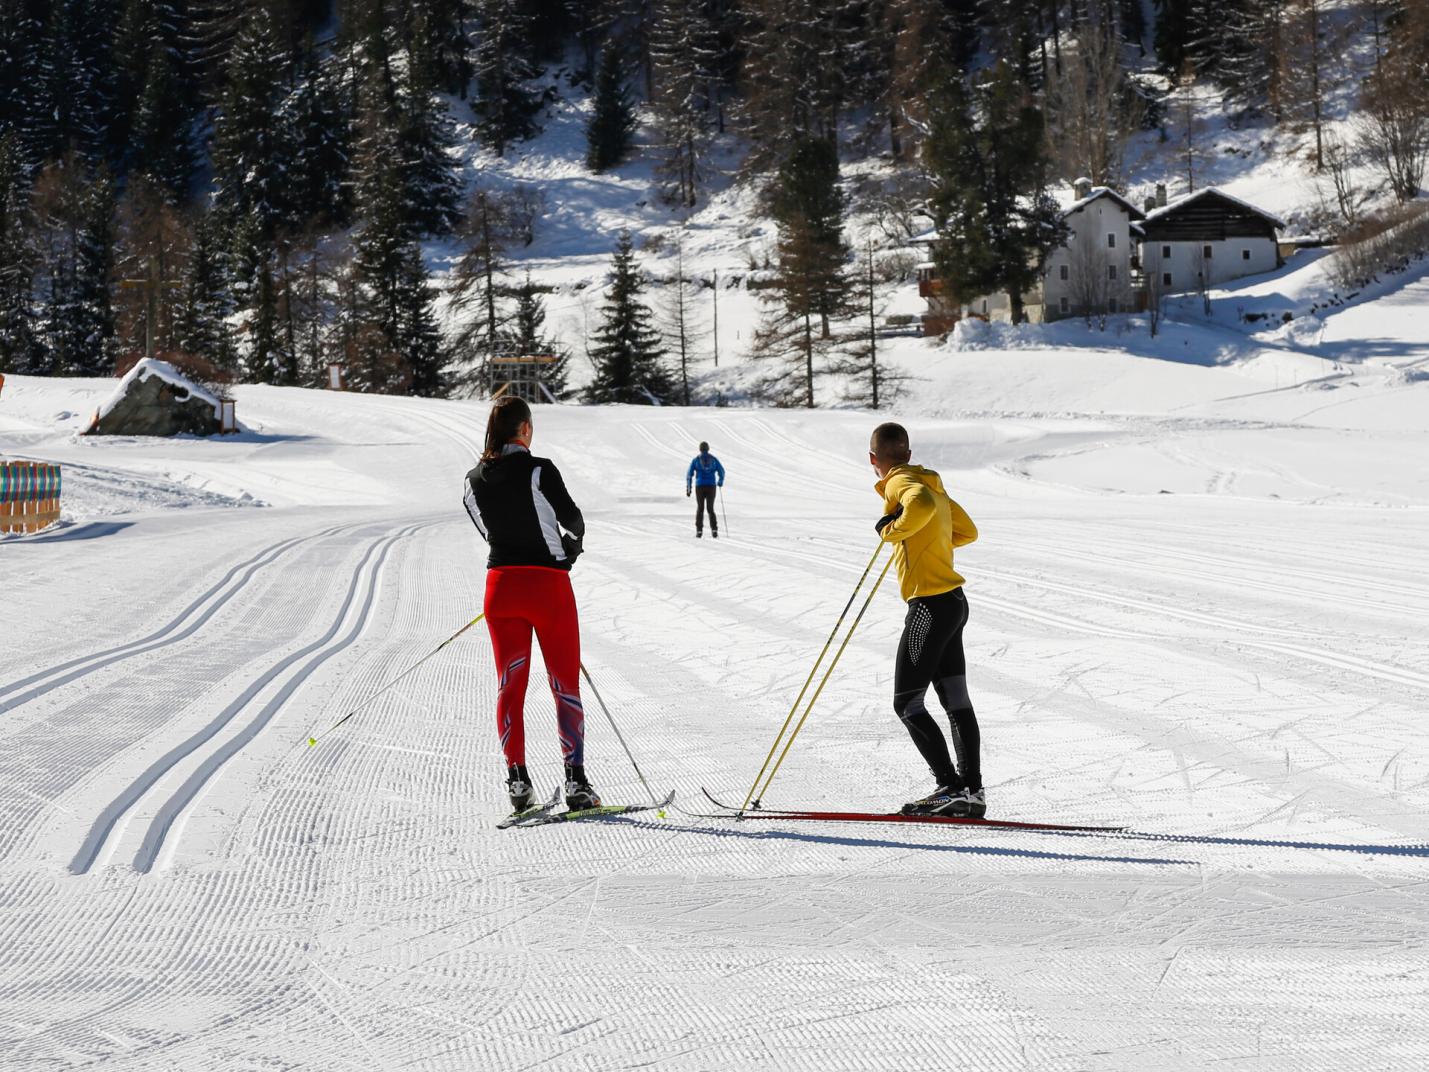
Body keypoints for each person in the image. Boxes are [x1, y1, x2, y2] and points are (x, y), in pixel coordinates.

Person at [464, 397, 599, 814]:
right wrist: (569, 551)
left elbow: (486, 529)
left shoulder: (473, 479)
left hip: (500, 589)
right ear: (523, 429)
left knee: (510, 684)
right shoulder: (540, 469)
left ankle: (518, 781)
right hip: (548, 588)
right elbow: (572, 520)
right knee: (563, 683)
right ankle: (575, 781)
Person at [868, 421, 984, 817]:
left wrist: (894, 530)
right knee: (956, 700)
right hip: (954, 602)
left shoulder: (901, 482)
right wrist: (927, 538)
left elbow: (917, 505)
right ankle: (971, 791)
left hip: (930, 607)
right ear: (908, 453)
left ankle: (949, 787)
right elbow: (967, 531)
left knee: (907, 702)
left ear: (874, 461)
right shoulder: (931, 481)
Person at [685, 441, 725, 538]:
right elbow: (722, 471)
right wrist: (720, 482)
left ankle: (699, 531)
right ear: (708, 449)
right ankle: (714, 530)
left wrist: (689, 488)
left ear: (700, 449)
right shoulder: (714, 459)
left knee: (700, 508)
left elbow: (689, 474)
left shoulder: (696, 460)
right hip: (711, 486)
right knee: (710, 508)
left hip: (700, 486)